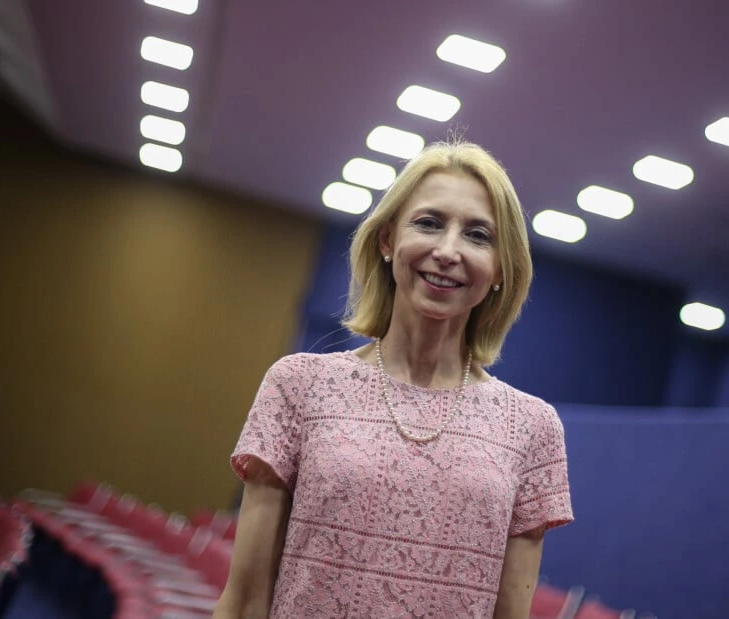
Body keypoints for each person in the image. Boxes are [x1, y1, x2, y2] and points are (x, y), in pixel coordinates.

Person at [212, 140, 574, 618]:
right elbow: (244, 601)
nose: (447, 251)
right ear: (387, 240)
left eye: (477, 235)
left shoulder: (531, 426)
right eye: (428, 223)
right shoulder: (298, 385)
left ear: (501, 269)